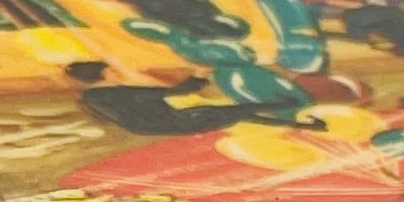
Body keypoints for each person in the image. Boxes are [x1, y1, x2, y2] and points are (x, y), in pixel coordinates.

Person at [61, 58, 264, 137]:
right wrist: (198, 75)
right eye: (110, 70)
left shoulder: (91, 97)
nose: (116, 71)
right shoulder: (118, 92)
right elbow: (175, 92)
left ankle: (264, 112)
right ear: (103, 74)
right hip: (168, 121)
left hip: (149, 126)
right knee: (233, 112)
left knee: (232, 114)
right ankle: (277, 109)